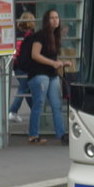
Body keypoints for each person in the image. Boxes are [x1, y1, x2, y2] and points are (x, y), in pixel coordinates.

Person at [26, 9, 71, 145]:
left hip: (51, 75)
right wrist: (54, 63)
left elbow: (52, 58)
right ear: (47, 20)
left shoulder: (55, 36)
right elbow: (35, 54)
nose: (55, 20)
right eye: (52, 18)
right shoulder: (40, 35)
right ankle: (33, 135)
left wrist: (61, 63)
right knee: (38, 104)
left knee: (57, 105)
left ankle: (61, 134)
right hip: (39, 74)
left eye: (57, 17)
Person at [7, 12, 36, 122]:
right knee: (24, 87)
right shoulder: (29, 35)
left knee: (26, 89)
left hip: (16, 65)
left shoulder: (17, 33)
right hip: (23, 65)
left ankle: (35, 112)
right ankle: (12, 111)